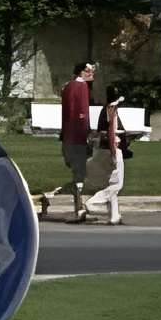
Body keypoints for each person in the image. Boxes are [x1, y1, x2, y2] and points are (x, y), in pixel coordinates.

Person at [43, 60, 96, 221]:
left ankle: (76, 208)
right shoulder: (81, 87)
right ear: (82, 72)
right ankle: (52, 199)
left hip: (69, 137)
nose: (91, 73)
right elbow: (79, 114)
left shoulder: (69, 86)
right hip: (77, 138)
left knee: (78, 175)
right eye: (89, 70)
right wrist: (86, 135)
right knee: (80, 176)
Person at [85, 86, 135, 225]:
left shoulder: (106, 109)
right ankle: (92, 202)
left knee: (112, 182)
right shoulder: (111, 110)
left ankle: (115, 215)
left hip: (104, 149)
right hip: (112, 149)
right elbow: (111, 132)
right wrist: (115, 150)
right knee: (117, 184)